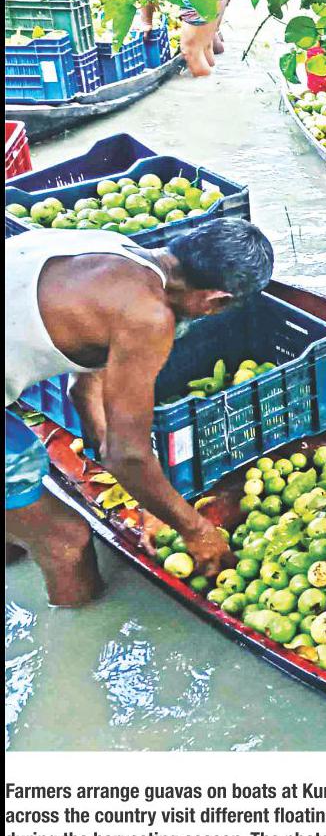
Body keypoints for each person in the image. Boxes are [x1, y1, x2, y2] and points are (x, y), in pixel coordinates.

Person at [5, 220, 274, 606]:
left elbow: (85, 389)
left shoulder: (114, 248)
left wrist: (143, 493)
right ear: (216, 301)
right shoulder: (149, 315)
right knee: (66, 541)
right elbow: (127, 454)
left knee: (23, 509)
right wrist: (196, 530)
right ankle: (76, 631)